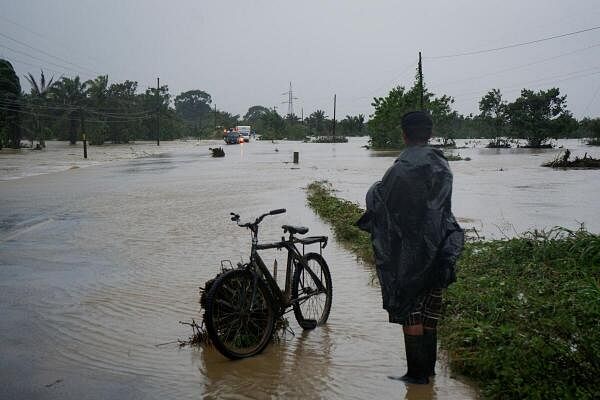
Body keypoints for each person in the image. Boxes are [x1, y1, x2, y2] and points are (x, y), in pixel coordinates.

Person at [357, 111, 464, 384]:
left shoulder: (399, 169)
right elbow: (439, 208)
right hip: (440, 245)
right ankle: (427, 372)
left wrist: (373, 190)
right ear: (429, 134)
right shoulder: (442, 164)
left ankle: (416, 375)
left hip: (410, 254)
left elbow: (383, 205)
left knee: (412, 311)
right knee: (431, 310)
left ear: (404, 134)